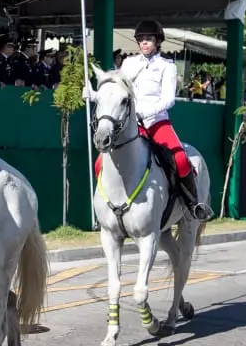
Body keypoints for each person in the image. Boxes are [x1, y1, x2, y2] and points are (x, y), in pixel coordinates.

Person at [89, 20, 212, 220]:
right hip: (131, 123)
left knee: (180, 159)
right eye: (141, 40)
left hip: (156, 121)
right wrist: (94, 94)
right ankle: (105, 204)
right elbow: (116, 91)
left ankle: (194, 203)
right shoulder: (129, 64)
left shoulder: (167, 66)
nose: (144, 43)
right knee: (100, 161)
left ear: (157, 41)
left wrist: (145, 112)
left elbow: (168, 100)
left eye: (149, 39)